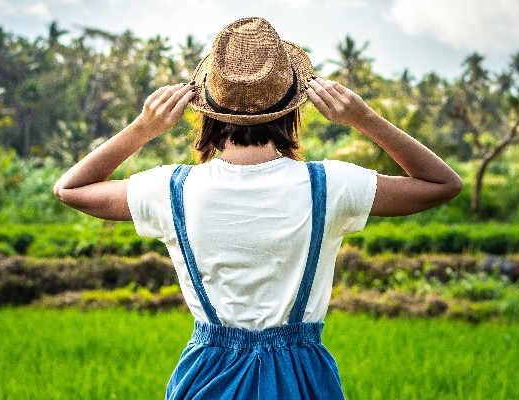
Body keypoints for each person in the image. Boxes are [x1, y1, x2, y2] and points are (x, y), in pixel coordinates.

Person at [54, 17, 462, 400]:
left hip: (205, 375)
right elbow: (442, 184)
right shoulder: (331, 185)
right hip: (302, 375)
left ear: (205, 108)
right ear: (293, 108)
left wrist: (144, 127)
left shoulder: (170, 189)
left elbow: (72, 188)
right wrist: (365, 118)